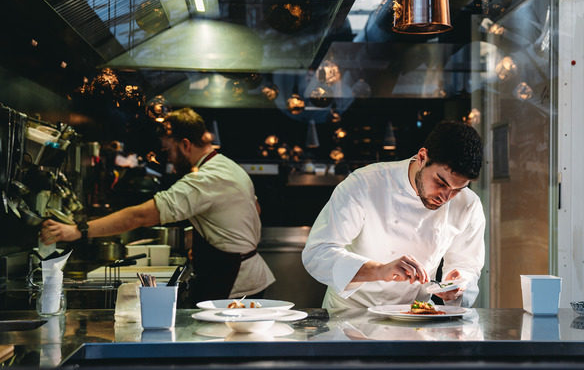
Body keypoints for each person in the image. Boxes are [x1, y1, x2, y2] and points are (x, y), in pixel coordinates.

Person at [40, 108, 275, 304]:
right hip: (246, 274)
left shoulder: (203, 180)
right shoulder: (227, 166)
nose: (169, 159)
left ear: (185, 144)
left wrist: (78, 230)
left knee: (217, 351)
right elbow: (255, 211)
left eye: (168, 150)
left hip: (233, 281)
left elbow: (141, 216)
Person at [302, 119, 485, 309]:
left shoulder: (468, 204)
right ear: (422, 157)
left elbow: (467, 264)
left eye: (458, 189)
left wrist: (457, 284)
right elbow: (318, 252)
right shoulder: (365, 184)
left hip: (415, 316)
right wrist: (379, 270)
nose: (446, 197)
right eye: (441, 183)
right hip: (350, 316)